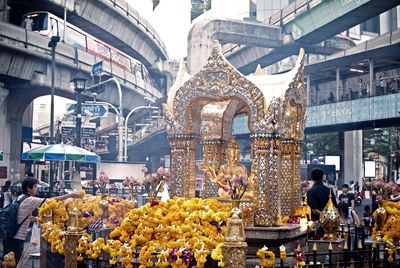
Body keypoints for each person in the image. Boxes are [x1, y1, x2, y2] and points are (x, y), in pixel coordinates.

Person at [1, 177, 83, 265]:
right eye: (35, 187)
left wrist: (33, 219)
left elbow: (20, 215)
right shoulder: (30, 200)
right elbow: (51, 200)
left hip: (10, 236)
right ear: (29, 189)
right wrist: (70, 195)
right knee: (13, 263)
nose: (37, 189)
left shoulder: (20, 198)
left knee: (8, 262)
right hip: (16, 239)